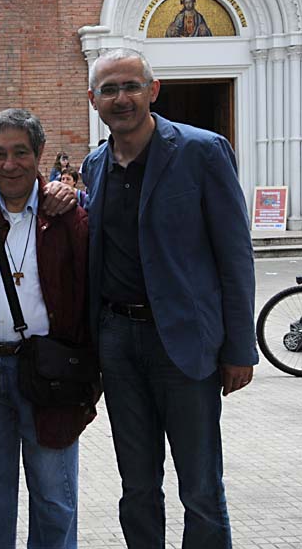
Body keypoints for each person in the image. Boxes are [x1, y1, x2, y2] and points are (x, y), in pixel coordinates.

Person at [85, 47, 255, 547]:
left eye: (131, 86)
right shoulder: (95, 165)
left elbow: (235, 256)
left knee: (200, 486)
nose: (122, 98)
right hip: (117, 343)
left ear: (153, 90)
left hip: (184, 343)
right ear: (94, 100)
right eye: (110, 89)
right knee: (136, 486)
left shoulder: (202, 151)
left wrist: (240, 347)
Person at [0, 108, 95, 549]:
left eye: (21, 153)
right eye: (0, 154)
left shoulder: (67, 216)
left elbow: (86, 291)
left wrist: (89, 370)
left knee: (54, 496)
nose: (10, 164)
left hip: (51, 375)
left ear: (40, 153)